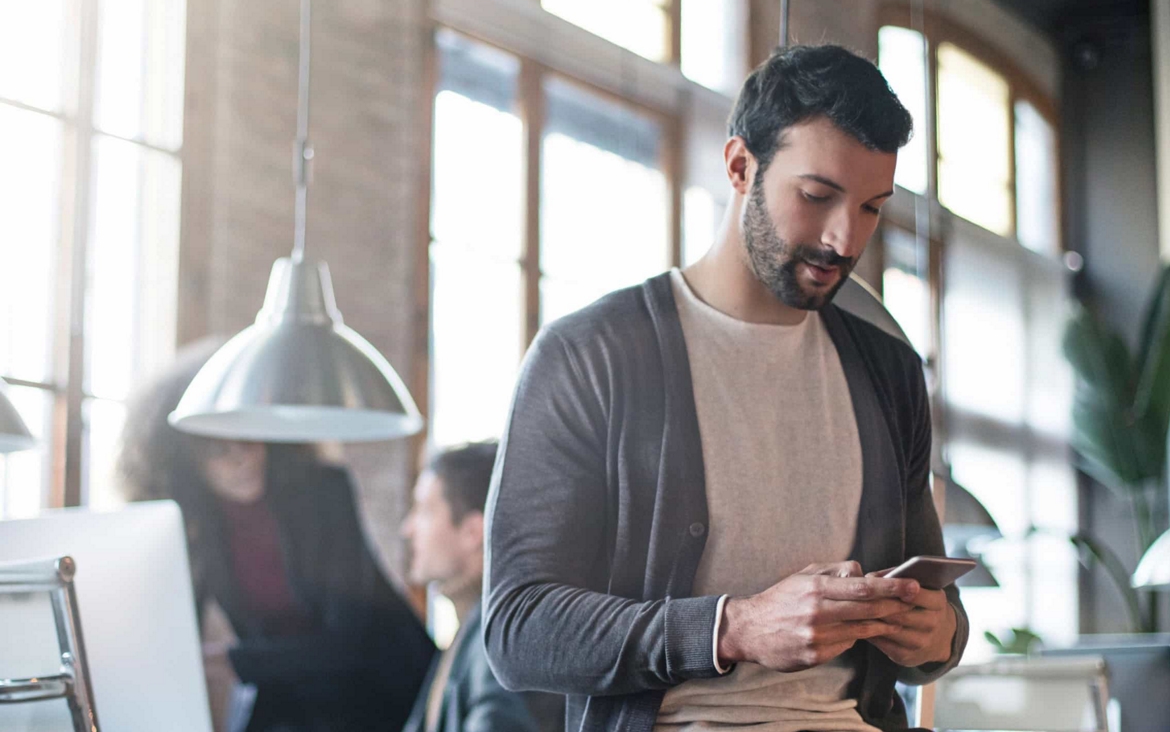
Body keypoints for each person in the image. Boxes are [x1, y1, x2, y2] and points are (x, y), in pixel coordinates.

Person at [483, 44, 969, 732]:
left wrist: (934, 635)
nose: (843, 238)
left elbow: (937, 628)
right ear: (741, 166)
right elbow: (519, 629)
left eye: (871, 208)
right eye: (817, 196)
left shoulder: (888, 373)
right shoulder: (590, 354)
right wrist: (732, 627)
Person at [116, 339, 434, 732]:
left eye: (248, 436)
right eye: (217, 447)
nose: (241, 457)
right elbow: (182, 626)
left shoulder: (323, 490)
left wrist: (235, 661)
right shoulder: (192, 522)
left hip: (383, 688)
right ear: (183, 457)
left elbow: (353, 638)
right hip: (289, 693)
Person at [400, 441, 563, 732]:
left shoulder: (501, 638)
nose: (408, 528)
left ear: (473, 531)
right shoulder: (470, 627)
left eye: (424, 511)